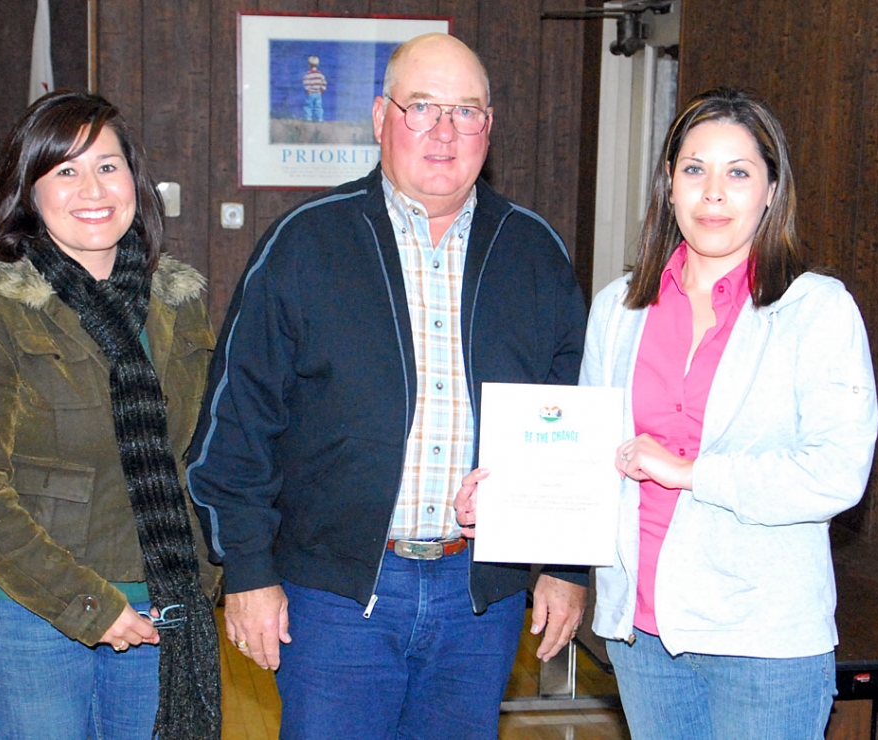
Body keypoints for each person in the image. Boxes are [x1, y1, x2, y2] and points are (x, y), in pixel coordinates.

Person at [186, 32, 588, 739]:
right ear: (380, 118)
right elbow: (236, 423)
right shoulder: (304, 245)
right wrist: (247, 571)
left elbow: (573, 420)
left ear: (488, 128)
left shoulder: (535, 252)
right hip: (336, 598)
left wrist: (564, 564)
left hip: (479, 601)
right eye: (422, 107)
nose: (444, 132)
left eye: (465, 112)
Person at [460, 86, 878, 738]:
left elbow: (835, 473)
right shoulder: (620, 308)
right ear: (669, 185)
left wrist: (691, 472)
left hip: (764, 641)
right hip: (642, 636)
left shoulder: (816, 310)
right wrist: (510, 501)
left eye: (738, 173)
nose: (713, 193)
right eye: (694, 170)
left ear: (771, 190)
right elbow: (592, 460)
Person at [0, 91, 222, 740]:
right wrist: (89, 606)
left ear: (135, 182)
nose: (91, 188)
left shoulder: (178, 302)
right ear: (28, 192)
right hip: (26, 616)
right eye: (65, 170)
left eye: (108, 166)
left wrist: (208, 572)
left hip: (160, 607)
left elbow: (203, 453)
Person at [302, 55, 327, 122]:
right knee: (318, 106)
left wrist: (308, 89)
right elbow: (324, 83)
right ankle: (320, 119)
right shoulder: (320, 74)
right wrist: (321, 90)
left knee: (308, 106)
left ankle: (308, 118)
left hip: (311, 93)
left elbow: (305, 82)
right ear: (318, 64)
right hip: (318, 93)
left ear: (309, 65)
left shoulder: (308, 74)